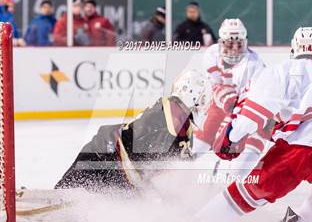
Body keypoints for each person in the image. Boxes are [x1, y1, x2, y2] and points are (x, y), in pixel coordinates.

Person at [192, 27, 312, 222]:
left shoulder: (284, 68)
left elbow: (257, 109)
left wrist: (231, 136)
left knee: (244, 193)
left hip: (298, 152)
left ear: (294, 49)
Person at [55, 69, 211, 191]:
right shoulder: (173, 116)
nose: (204, 105)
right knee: (65, 195)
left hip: (115, 165)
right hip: (104, 155)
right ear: (191, 93)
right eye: (202, 98)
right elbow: (162, 165)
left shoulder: (180, 119)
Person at [192, 18, 270, 178]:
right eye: (229, 44)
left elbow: (256, 98)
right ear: (221, 42)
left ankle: (228, 182)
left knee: (236, 153)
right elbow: (215, 87)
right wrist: (229, 104)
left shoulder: (255, 63)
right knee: (198, 146)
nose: (234, 49)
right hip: (219, 105)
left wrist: (237, 118)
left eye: (239, 44)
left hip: (244, 111)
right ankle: (173, 173)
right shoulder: (212, 54)